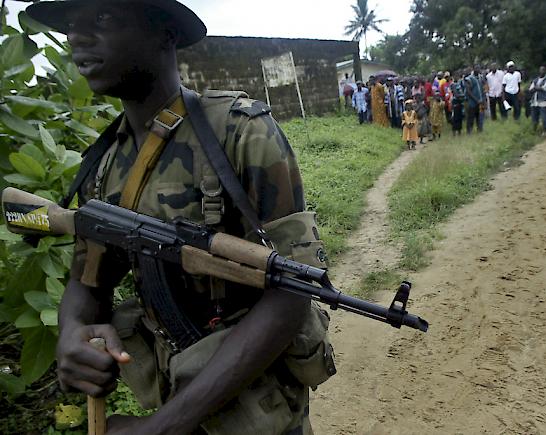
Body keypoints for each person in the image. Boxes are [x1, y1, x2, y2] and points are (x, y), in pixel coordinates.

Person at [25, 1, 328, 434]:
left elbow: (292, 293)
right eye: (73, 25)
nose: (78, 37)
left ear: (165, 32)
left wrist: (164, 427)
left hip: (257, 413)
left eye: (104, 18)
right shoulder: (106, 163)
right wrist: (72, 333)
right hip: (172, 396)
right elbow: (87, 281)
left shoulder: (240, 132)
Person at [529, 66, 546, 135]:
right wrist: (537, 88)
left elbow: (545, 88)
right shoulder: (535, 79)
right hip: (534, 101)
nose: (542, 71)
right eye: (541, 70)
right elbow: (530, 89)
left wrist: (536, 88)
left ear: (545, 71)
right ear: (539, 71)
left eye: (543, 70)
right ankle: (534, 131)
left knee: (544, 116)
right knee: (534, 116)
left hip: (543, 100)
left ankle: (545, 131)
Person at [465, 65, 485, 134]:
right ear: (474, 69)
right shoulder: (469, 79)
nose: (478, 69)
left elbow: (483, 88)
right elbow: (468, 91)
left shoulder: (481, 77)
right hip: (472, 102)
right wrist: (476, 100)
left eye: (479, 68)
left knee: (480, 116)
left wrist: (483, 99)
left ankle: (480, 130)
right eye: (476, 68)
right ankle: (469, 131)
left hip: (481, 101)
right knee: (471, 117)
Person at [451, 72, 465, 136]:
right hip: (455, 102)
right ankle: (454, 131)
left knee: (460, 117)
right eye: (455, 76)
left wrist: (462, 96)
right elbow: (456, 94)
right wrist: (463, 95)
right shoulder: (453, 84)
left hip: (460, 102)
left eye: (457, 76)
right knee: (455, 117)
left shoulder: (459, 83)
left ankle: (459, 131)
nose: (457, 77)